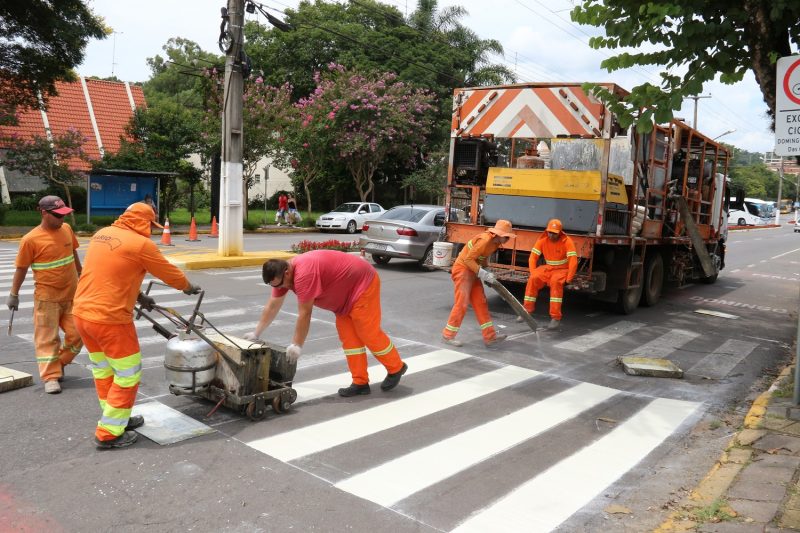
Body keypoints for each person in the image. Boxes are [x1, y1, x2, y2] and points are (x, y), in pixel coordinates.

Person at [72, 202, 201, 449]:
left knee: (104, 370)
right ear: (144, 222)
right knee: (128, 374)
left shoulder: (102, 234)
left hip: (82, 315)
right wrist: (186, 286)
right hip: (110, 320)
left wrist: (140, 297)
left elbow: (110, 273)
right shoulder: (141, 244)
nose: (151, 231)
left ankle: (115, 418)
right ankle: (109, 433)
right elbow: (167, 272)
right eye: (150, 225)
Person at [245, 250, 407, 397]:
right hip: (344, 299)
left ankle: (396, 367)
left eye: (281, 284)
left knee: (367, 332)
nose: (281, 288)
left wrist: (296, 345)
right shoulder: (281, 276)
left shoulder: (304, 274)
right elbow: (272, 306)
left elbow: (305, 314)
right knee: (349, 340)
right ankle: (360, 383)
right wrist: (256, 333)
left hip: (363, 285)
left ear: (286, 273)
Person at [6, 196, 82, 394]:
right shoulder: (30, 239)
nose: (61, 219)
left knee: (79, 333)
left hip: (72, 295)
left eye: (64, 215)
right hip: (47, 299)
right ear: (44, 213)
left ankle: (60, 362)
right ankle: (50, 377)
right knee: (47, 339)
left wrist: (82, 275)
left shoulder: (66, 229)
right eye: (57, 215)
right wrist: (14, 294)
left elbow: (73, 253)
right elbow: (21, 268)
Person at [441, 219, 516, 347]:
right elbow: (468, 259)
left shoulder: (495, 243)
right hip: (463, 269)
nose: (508, 239)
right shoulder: (485, 240)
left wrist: (487, 271)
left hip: (472, 270)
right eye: (506, 236)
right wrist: (483, 274)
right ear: (498, 234)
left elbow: (482, 257)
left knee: (480, 302)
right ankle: (448, 335)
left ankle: (490, 337)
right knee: (462, 303)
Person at [521, 218, 578, 330]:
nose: (551, 235)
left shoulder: (567, 241)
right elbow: (533, 257)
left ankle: (555, 318)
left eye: (554, 233)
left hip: (562, 270)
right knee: (533, 278)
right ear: (546, 231)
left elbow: (573, 261)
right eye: (549, 232)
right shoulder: (542, 240)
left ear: (560, 232)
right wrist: (533, 273)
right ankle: (526, 311)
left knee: (555, 282)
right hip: (548, 268)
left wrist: (569, 278)